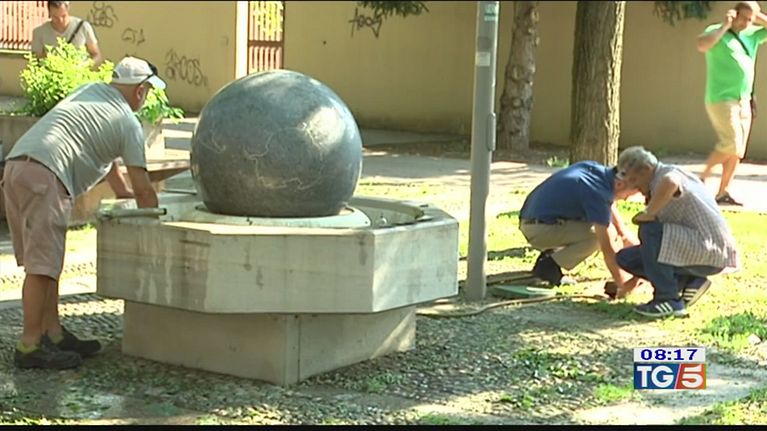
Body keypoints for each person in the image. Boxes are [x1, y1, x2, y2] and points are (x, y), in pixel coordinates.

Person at [1, 56, 166, 369]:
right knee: (41, 267)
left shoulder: (90, 92)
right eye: (147, 91)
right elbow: (145, 190)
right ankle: (29, 345)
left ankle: (53, 333)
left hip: (16, 168)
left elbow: (109, 159)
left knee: (46, 263)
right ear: (140, 91)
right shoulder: (128, 123)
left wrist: (122, 195)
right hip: (47, 176)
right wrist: (157, 226)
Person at [615, 146, 739, 318]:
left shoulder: (665, 176)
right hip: (701, 249)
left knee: (649, 229)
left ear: (646, 169)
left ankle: (668, 299)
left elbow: (671, 182)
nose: (633, 186)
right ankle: (691, 281)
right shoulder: (664, 178)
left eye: (634, 179)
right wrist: (631, 283)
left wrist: (649, 213)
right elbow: (652, 251)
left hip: (710, 250)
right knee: (627, 258)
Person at [518, 160, 642, 294]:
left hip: (536, 221)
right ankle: (549, 266)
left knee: (606, 230)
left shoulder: (597, 172)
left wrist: (624, 236)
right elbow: (607, 247)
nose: (626, 199)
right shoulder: (596, 192)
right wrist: (623, 284)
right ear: (620, 184)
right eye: (629, 194)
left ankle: (550, 256)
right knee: (597, 237)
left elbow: (608, 206)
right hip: (538, 228)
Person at [697, 1, 767, 206]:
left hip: (744, 99)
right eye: (743, 18)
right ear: (734, 14)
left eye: (749, 19)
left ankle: (723, 192)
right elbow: (702, 45)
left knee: (738, 151)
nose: (746, 23)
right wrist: (724, 26)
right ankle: (701, 177)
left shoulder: (752, 35)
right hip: (721, 98)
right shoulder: (717, 31)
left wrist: (758, 16)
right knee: (732, 144)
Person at [31, 0, 102, 66]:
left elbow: (96, 55)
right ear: (49, 13)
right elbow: (36, 59)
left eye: (63, 16)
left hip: (79, 72)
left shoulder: (83, 27)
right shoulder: (39, 32)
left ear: (68, 9)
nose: (60, 20)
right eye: (55, 17)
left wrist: (83, 65)